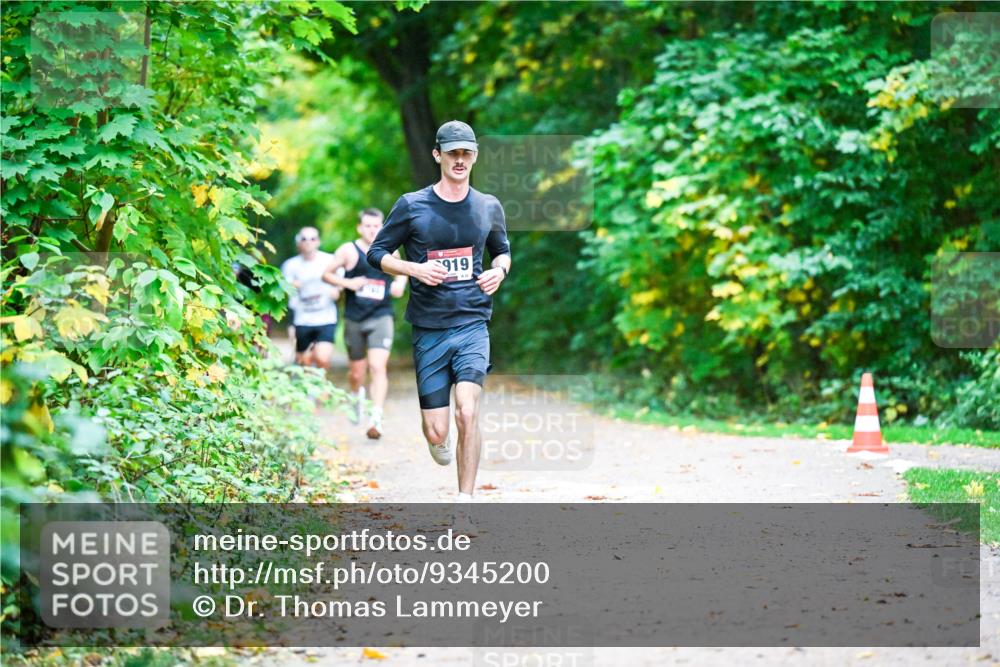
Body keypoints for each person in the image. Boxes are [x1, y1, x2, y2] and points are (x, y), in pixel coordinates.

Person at [367, 120, 511, 505]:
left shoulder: (487, 206)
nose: (460, 160)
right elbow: (376, 254)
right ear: (438, 156)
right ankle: (437, 437)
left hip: (472, 323)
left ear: (475, 156)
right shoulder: (412, 205)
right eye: (453, 153)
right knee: (437, 431)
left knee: (468, 410)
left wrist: (499, 270)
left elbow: (502, 250)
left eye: (466, 153)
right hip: (429, 328)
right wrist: (414, 269)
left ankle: (465, 502)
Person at [323, 208, 408, 440]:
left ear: (382, 227)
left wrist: (400, 283)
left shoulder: (390, 249)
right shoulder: (348, 250)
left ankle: (376, 418)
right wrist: (348, 284)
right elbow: (327, 274)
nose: (372, 230)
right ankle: (355, 393)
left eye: (376, 226)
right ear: (360, 228)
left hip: (381, 316)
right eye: (368, 226)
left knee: (378, 367)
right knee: (357, 373)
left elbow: (403, 272)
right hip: (354, 317)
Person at [280, 227, 340, 369]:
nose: (308, 242)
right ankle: (308, 387)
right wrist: (292, 286)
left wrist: (337, 290)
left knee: (322, 358)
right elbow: (283, 290)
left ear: (318, 241)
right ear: (298, 243)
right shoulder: (290, 265)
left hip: (326, 317)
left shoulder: (329, 260)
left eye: (312, 238)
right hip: (302, 318)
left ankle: (322, 389)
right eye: (304, 239)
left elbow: (340, 280)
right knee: (303, 362)